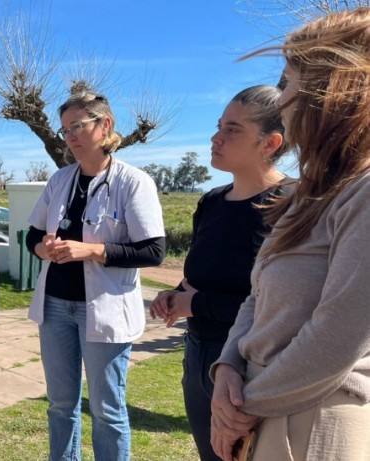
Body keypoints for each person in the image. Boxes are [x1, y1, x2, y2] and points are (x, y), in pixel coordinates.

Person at [210, 8, 370, 461]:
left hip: (315, 420)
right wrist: (227, 368)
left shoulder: (362, 193)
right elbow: (257, 295)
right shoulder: (307, 195)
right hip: (263, 408)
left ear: (333, 90)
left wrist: (241, 407)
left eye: (287, 83)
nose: (280, 102)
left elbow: (339, 336)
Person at [149, 85, 288, 461]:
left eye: (233, 129)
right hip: (197, 355)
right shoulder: (211, 202)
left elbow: (281, 307)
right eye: (218, 126)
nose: (216, 138)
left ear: (271, 143)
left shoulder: (293, 206)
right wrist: (175, 295)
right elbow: (202, 275)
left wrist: (197, 304)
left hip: (252, 367)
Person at [26, 91, 165, 461]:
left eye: (77, 126)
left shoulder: (133, 182)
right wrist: (44, 248)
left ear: (106, 125)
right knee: (60, 404)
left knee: (107, 410)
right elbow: (32, 235)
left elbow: (153, 251)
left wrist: (92, 251)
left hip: (103, 309)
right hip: (55, 307)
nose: (69, 136)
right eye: (65, 129)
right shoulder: (60, 180)